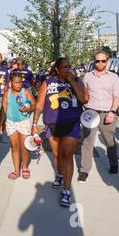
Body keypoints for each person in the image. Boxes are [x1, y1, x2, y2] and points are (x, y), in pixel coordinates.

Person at [32, 57, 88, 207]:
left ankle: (66, 191)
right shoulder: (48, 83)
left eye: (69, 66)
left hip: (72, 123)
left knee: (68, 156)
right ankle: (60, 174)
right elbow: (39, 104)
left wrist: (73, 81)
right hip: (52, 125)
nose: (67, 69)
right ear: (57, 68)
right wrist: (34, 123)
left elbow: (84, 99)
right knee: (58, 156)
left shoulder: (77, 81)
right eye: (64, 66)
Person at [78, 51, 119, 181]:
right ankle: (84, 170)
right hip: (91, 113)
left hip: (107, 113)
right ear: (94, 61)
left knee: (109, 141)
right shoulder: (87, 76)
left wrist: (112, 112)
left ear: (107, 61)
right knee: (87, 142)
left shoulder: (113, 77)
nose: (100, 63)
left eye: (103, 61)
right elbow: (83, 94)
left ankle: (114, 163)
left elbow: (117, 96)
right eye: (97, 61)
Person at [2, 73, 36, 179]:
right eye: (15, 83)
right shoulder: (7, 93)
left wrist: (28, 109)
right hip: (11, 122)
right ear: (11, 82)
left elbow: (34, 105)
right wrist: (2, 123)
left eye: (20, 82)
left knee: (24, 147)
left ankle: (25, 167)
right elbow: (4, 109)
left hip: (23, 122)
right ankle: (16, 170)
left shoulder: (25, 92)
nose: (18, 85)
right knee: (14, 147)